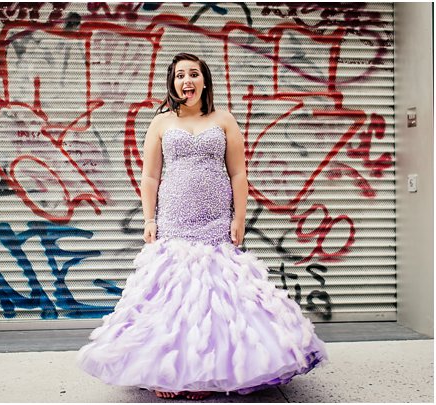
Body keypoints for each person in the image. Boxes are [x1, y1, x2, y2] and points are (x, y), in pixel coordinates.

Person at [76, 53, 328, 400]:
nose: (187, 81)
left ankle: (208, 375)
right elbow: (149, 176)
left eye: (193, 74)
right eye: (180, 75)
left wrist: (238, 218)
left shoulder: (223, 119)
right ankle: (167, 373)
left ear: (204, 80)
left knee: (217, 298)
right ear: (173, 83)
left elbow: (238, 174)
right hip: (174, 219)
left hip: (214, 223)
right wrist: (149, 220)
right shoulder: (161, 122)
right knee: (172, 296)